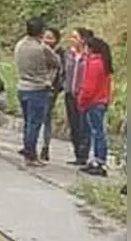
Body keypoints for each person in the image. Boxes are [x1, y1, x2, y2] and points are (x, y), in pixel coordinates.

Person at [13, 17, 61, 167]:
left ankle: (27, 149)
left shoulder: (19, 45)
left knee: (28, 122)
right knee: (35, 123)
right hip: (38, 88)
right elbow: (57, 62)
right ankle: (31, 155)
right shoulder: (41, 48)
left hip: (22, 86)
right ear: (40, 32)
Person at [77, 36, 113, 177]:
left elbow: (89, 86)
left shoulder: (94, 63)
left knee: (97, 132)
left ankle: (99, 161)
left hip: (93, 101)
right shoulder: (103, 63)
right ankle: (98, 160)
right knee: (98, 131)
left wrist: (82, 100)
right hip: (101, 101)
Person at [60, 28, 93, 165]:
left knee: (84, 125)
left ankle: (83, 154)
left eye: (75, 37)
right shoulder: (68, 54)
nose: (72, 40)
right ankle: (77, 153)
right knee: (73, 125)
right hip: (70, 94)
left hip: (83, 95)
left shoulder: (89, 56)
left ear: (83, 39)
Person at [39, 27, 64, 160]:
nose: (47, 40)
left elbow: (61, 73)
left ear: (56, 40)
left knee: (46, 118)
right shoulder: (38, 50)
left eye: (50, 37)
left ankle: (45, 146)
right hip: (37, 87)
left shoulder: (59, 54)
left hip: (50, 90)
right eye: (45, 37)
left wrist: (56, 88)